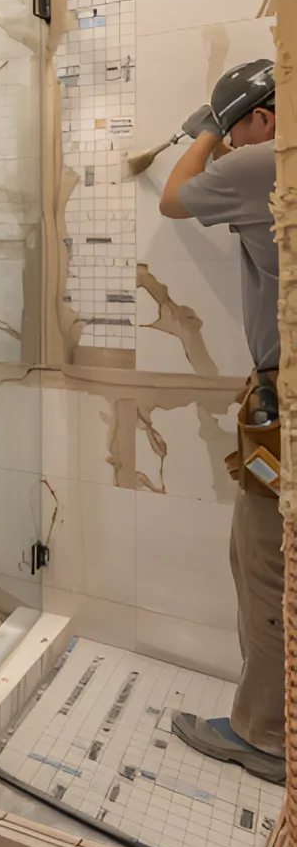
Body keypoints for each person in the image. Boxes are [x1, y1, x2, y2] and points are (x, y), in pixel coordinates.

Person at [158, 57, 283, 784]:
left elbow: (175, 197)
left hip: (288, 400)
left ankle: (264, 736)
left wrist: (206, 133)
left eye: (238, 131)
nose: (232, 149)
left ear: (261, 119)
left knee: (263, 562)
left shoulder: (266, 160)